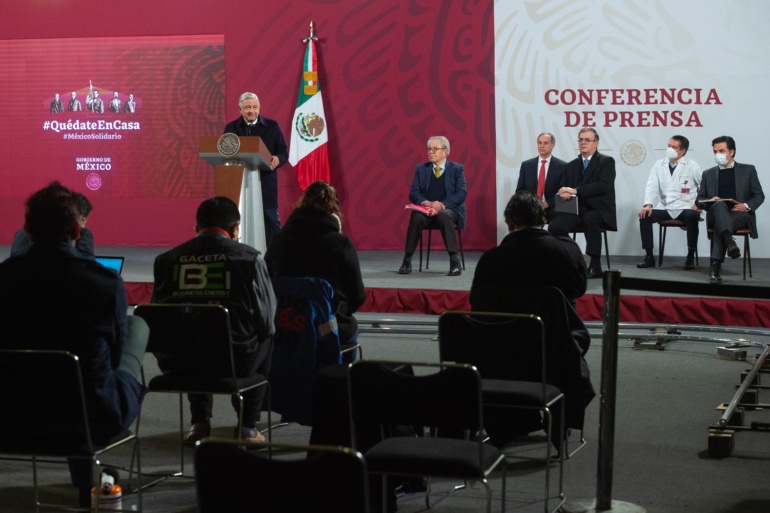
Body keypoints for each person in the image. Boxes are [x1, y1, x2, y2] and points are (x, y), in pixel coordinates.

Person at [0, 181, 148, 507]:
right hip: (88, 417)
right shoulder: (104, 284)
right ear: (76, 230)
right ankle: (86, 484)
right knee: (136, 325)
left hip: (9, 415)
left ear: (26, 229)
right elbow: (111, 357)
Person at [470, 190, 594, 449]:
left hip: (501, 355)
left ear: (509, 223)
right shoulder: (567, 252)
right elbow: (579, 290)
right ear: (543, 220)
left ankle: (513, 419)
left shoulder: (491, 260)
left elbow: (478, 305)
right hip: (555, 351)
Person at [152, 196, 277, 444]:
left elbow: (159, 319)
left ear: (196, 228)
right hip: (235, 362)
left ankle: (199, 423)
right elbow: (266, 320)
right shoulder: (249, 259)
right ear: (235, 228)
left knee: (190, 336)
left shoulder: (166, 261)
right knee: (269, 335)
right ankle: (247, 426)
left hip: (178, 363)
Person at [265, 181, 366, 356]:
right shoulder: (341, 244)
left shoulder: (278, 240)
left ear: (302, 205)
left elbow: (267, 285)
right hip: (330, 329)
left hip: (285, 329)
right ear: (333, 211)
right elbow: (357, 297)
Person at [548, 127, 616, 279]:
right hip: (576, 209)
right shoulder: (571, 165)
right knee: (555, 226)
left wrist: (575, 190)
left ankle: (595, 265)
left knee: (590, 218)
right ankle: (573, 259)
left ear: (596, 144)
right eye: (581, 140)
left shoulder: (606, 162)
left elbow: (603, 186)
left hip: (599, 210)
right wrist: (564, 192)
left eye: (587, 140)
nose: (583, 143)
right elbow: (564, 186)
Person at [696, 135, 764, 284]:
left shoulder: (748, 170)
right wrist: (709, 201)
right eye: (715, 152)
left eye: (721, 151)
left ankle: (715, 267)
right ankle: (730, 242)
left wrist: (745, 206)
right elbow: (699, 200)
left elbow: (759, 195)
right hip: (717, 213)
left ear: (731, 152)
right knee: (719, 205)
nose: (717, 155)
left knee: (721, 225)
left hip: (739, 216)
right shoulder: (708, 174)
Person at [223, 92, 289, 247]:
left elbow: (283, 153)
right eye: (247, 108)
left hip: (266, 185)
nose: (251, 111)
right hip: (238, 184)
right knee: (235, 221)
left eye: (254, 107)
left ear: (259, 108)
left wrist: (278, 159)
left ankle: (274, 258)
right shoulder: (231, 128)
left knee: (271, 222)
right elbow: (223, 152)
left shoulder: (272, 126)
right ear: (240, 109)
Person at [398, 135, 466, 276]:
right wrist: (428, 203)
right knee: (416, 216)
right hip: (426, 211)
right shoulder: (421, 169)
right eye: (429, 149)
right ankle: (407, 261)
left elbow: (461, 194)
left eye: (435, 149)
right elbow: (414, 193)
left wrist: (441, 206)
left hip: (449, 211)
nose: (431, 152)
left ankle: (454, 262)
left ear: (446, 151)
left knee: (443, 215)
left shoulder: (457, 169)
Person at [637, 135, 703, 270]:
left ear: (682, 151)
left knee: (692, 216)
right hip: (665, 207)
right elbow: (652, 185)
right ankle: (649, 256)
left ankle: (690, 256)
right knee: (644, 215)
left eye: (674, 147)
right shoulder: (659, 164)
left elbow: (705, 185)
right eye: (669, 146)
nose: (669, 149)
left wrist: (698, 203)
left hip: (686, 207)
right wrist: (648, 204)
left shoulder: (692, 166)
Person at [9, 191, 95, 259]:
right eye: (84, 220)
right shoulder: (84, 234)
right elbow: (88, 268)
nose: (83, 225)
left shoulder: (20, 234)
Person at [516, 132, 566, 221]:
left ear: (552, 145)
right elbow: (520, 190)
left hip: (551, 207)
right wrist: (531, 203)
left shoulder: (562, 166)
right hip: (531, 206)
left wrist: (547, 203)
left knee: (561, 215)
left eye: (545, 143)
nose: (541, 146)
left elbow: (563, 192)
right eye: (539, 143)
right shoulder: (526, 165)